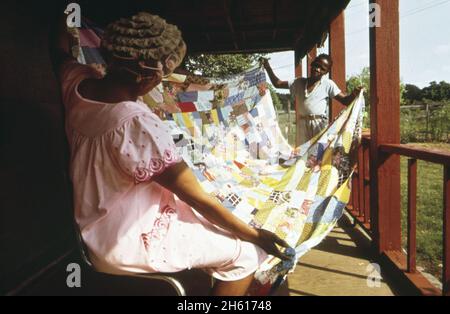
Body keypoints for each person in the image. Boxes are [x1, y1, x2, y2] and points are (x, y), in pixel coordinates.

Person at [52, 11, 290, 296]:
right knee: (246, 255)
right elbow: (200, 200)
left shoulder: (77, 83)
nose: (158, 83)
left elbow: (60, 52)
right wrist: (258, 237)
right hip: (127, 242)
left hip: (91, 231)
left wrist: (62, 12)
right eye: (161, 75)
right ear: (147, 75)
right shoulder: (135, 123)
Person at [261, 55, 363, 145]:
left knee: (318, 155)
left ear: (326, 72)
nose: (317, 69)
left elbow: (345, 100)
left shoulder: (328, 84)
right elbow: (277, 84)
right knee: (302, 155)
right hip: (302, 124)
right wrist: (267, 67)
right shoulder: (299, 82)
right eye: (316, 65)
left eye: (322, 69)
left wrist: (354, 94)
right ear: (312, 64)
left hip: (318, 124)